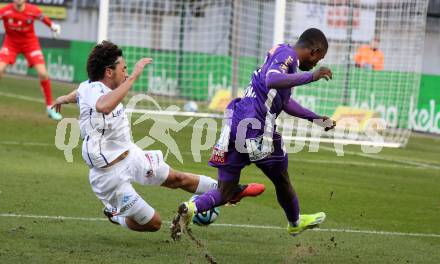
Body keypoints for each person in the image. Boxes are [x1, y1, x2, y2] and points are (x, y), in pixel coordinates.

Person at [51, 41, 265, 232]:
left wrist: (63, 98)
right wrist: (134, 76)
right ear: (109, 72)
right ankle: (117, 216)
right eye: (123, 69)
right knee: (153, 223)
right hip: (108, 176)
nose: (126, 73)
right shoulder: (96, 90)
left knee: (176, 179)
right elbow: (103, 106)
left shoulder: (86, 88)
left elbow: (78, 94)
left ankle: (231, 190)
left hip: (131, 155)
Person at [171, 28, 336, 240]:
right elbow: (272, 80)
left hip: (237, 122)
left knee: (226, 190)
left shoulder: (282, 53)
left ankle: (191, 207)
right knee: (282, 179)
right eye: (318, 59)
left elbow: (283, 102)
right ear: (314, 51)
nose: (315, 64)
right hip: (257, 127)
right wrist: (311, 76)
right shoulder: (289, 57)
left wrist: (317, 119)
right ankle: (295, 223)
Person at [0, 0, 62, 120]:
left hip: (30, 44)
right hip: (11, 43)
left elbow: (43, 18)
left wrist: (53, 26)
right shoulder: (5, 11)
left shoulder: (32, 10)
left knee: (43, 73)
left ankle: (50, 107)